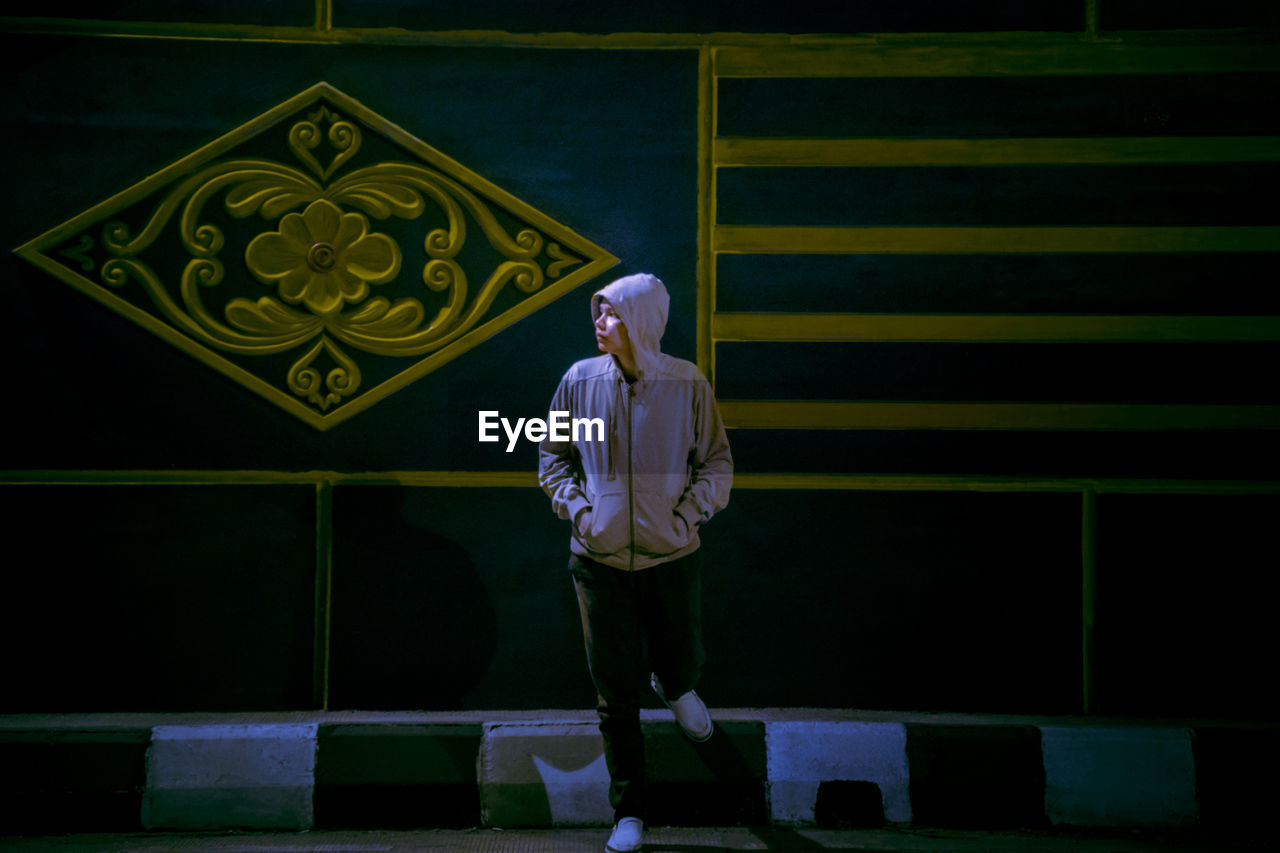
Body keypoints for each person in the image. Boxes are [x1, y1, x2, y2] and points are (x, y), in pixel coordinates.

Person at [538, 272, 733, 853]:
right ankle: (630, 814)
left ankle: (677, 687)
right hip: (598, 561)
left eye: (612, 315)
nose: (600, 324)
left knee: (682, 656)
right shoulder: (579, 381)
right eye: (597, 314)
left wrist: (687, 517)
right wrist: (582, 515)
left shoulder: (686, 384)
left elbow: (717, 463)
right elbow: (552, 457)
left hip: (670, 554)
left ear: (641, 321)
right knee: (613, 693)